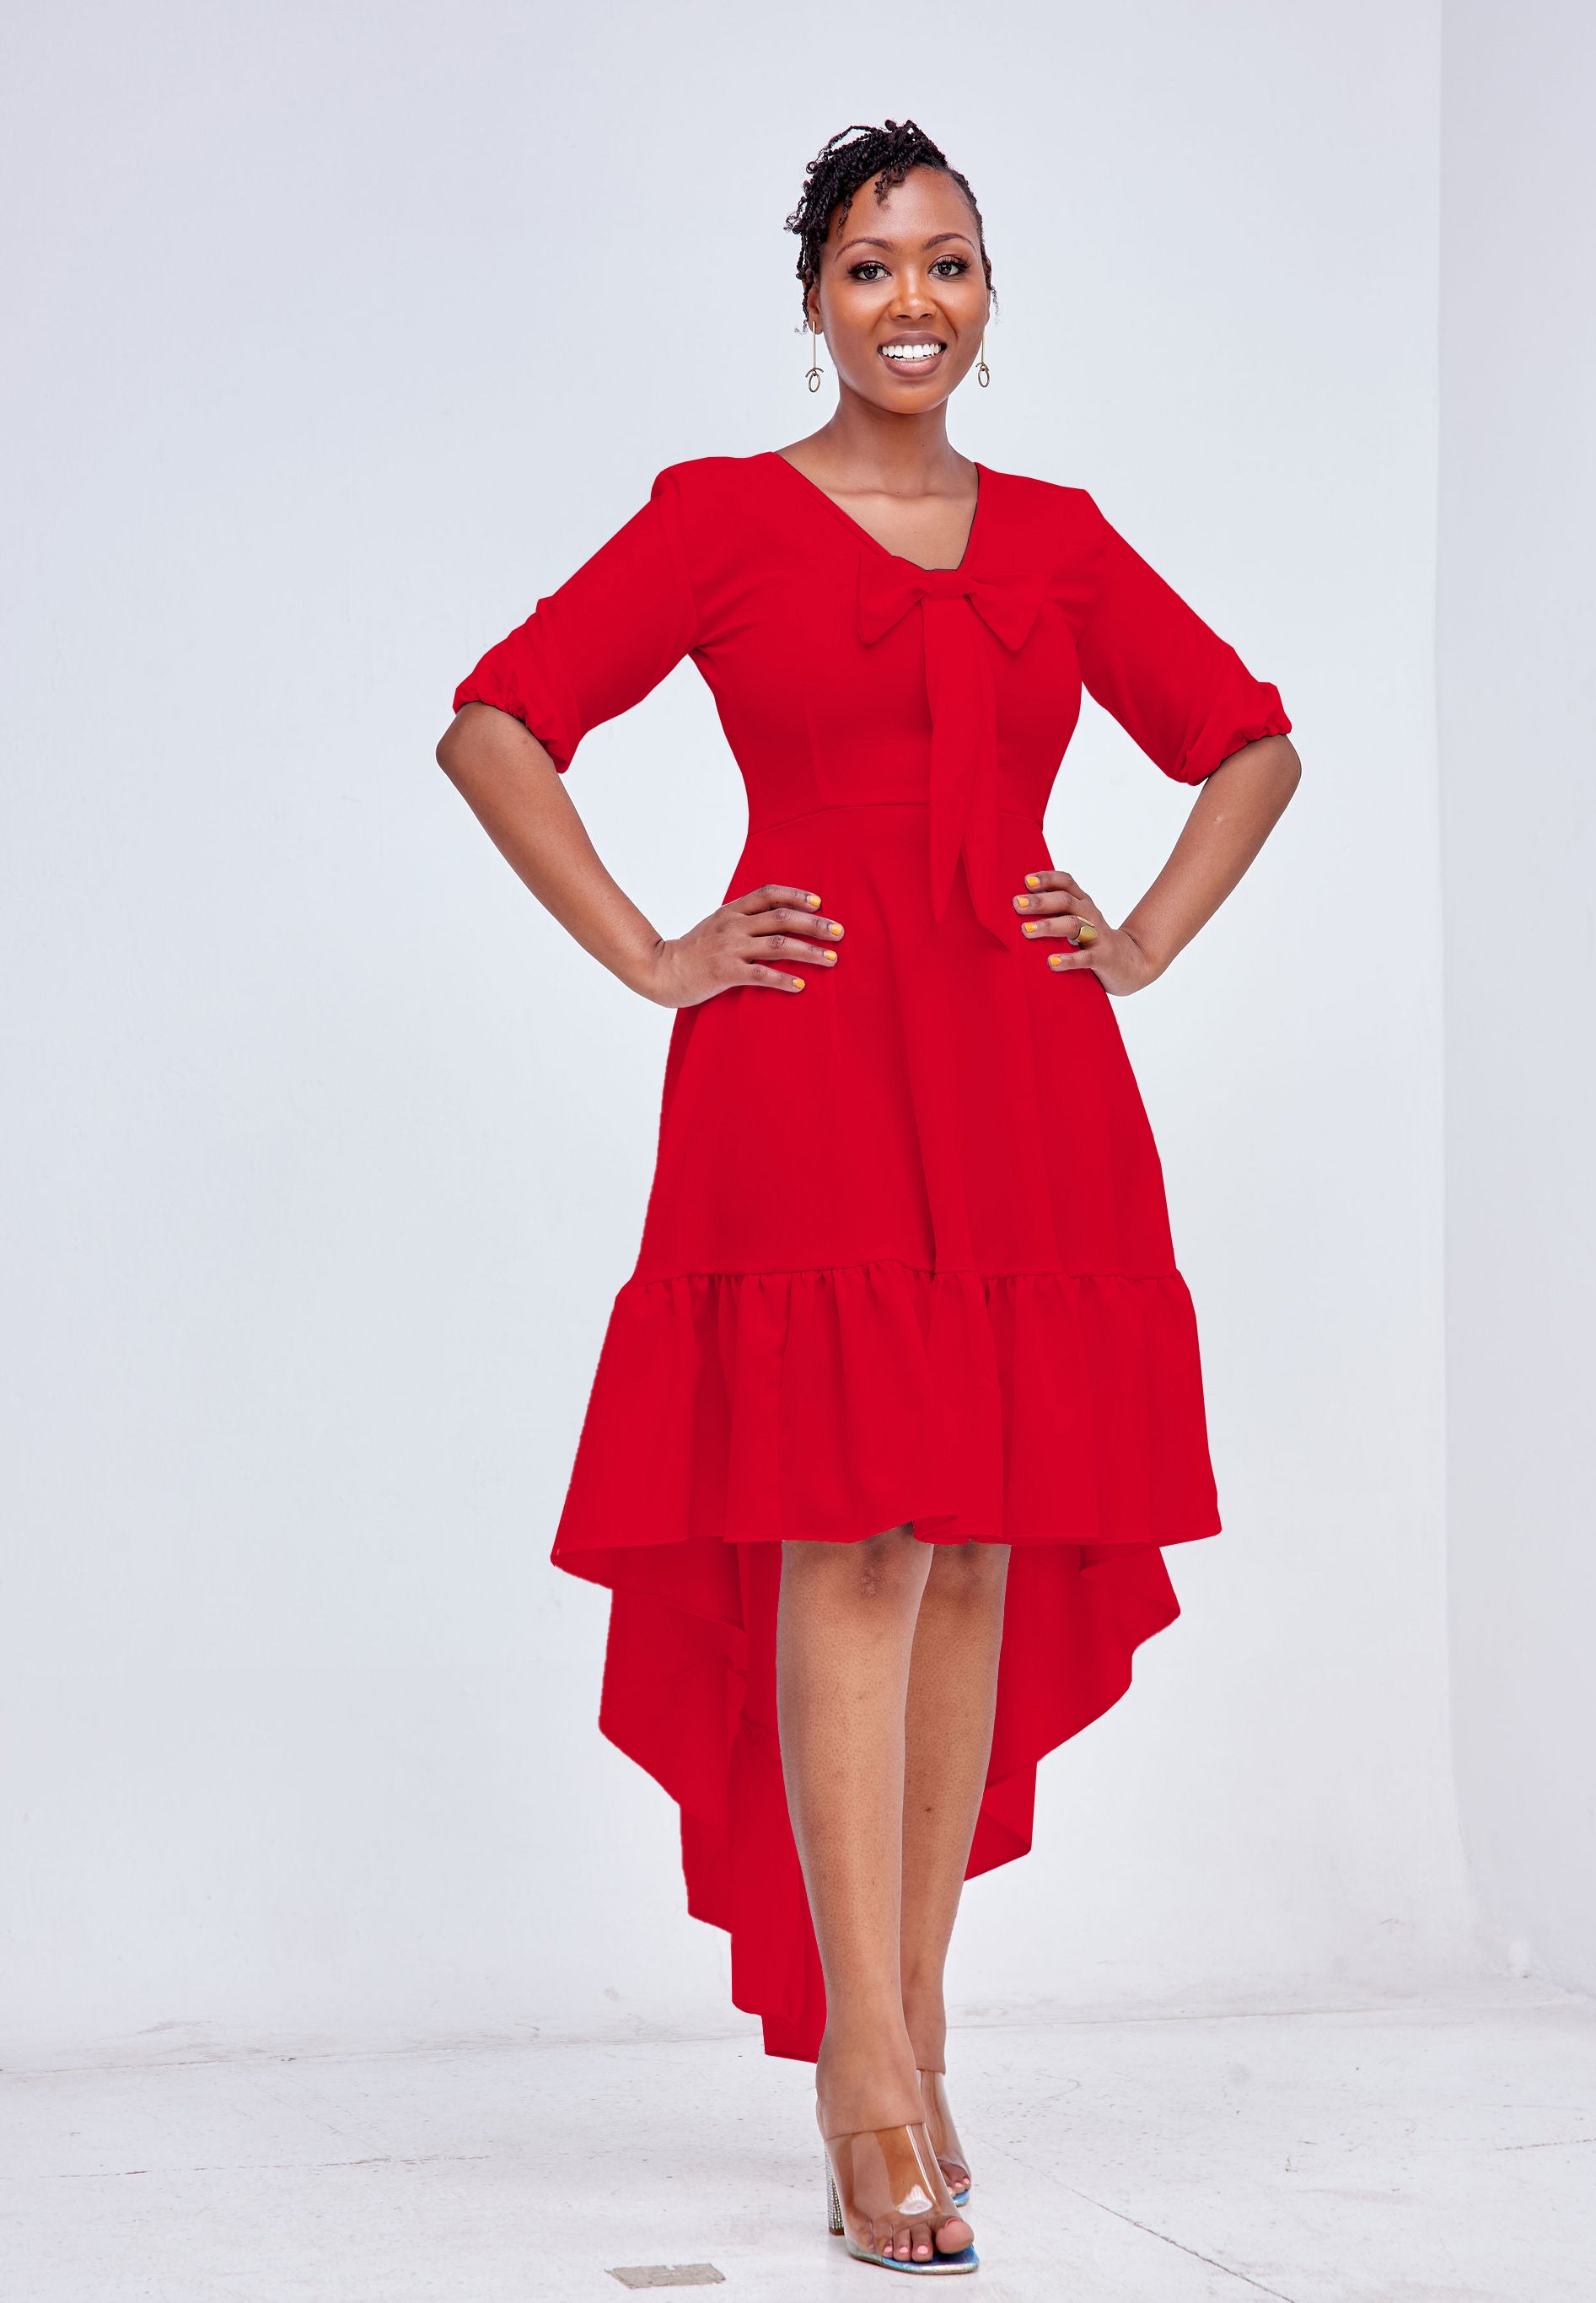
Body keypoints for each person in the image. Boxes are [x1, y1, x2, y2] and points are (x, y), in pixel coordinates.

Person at [438, 117, 1299, 2277]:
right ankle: (858, 2076)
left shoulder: (1063, 542)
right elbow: (497, 722)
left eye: (948, 262)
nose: (912, 301)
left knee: (977, 1540)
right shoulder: (717, 520)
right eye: (869, 265)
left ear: (988, 296)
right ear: (812, 299)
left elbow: (1250, 742)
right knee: (852, 1530)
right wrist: (654, 950)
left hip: (1023, 1073)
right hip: (809, 1068)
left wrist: (1144, 936)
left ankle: (912, 2029)